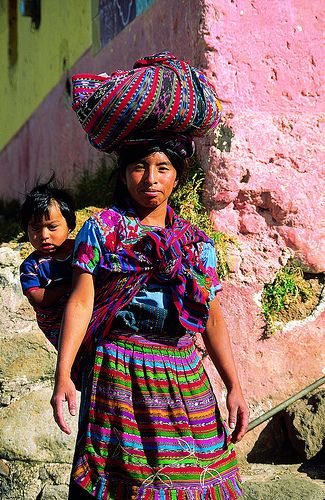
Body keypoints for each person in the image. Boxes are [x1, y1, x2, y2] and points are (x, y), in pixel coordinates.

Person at [51, 52, 249, 499]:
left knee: (199, 482)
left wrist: (233, 384)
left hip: (182, 371)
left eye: (163, 168)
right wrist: (63, 374)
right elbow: (81, 302)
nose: (150, 179)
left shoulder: (196, 245)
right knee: (127, 485)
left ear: (178, 177)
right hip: (119, 370)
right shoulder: (101, 229)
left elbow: (211, 317)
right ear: (124, 174)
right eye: (139, 167)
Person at [20, 176, 76, 348]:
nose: (44, 236)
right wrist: (66, 288)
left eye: (52, 227)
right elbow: (36, 297)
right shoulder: (31, 265)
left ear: (70, 225)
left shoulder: (80, 249)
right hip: (56, 327)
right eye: (35, 228)